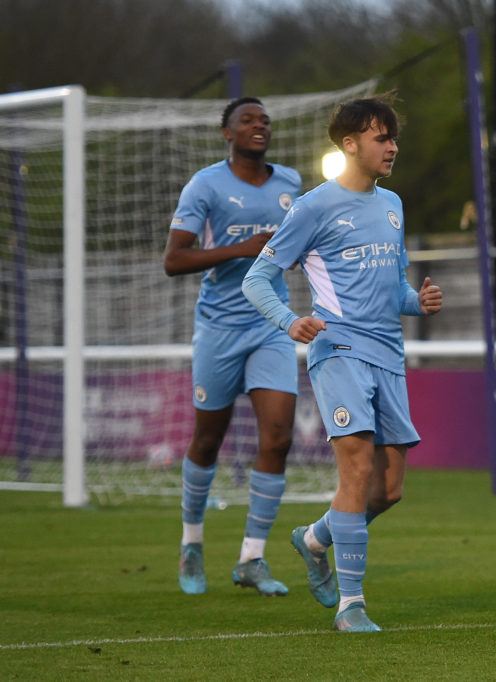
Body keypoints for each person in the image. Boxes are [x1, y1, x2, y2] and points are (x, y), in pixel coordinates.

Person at [242, 95, 442, 633]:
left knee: (389, 489)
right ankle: (350, 604)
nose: (393, 146)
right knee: (355, 470)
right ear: (350, 144)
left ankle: (314, 539)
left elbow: (393, 287)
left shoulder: (394, 204)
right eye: (382, 137)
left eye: (394, 137)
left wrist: (415, 302)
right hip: (339, 353)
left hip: (388, 355)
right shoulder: (312, 207)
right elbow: (256, 279)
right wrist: (289, 321)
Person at [163, 96, 301, 597]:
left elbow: (304, 246)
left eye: (265, 119)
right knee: (207, 441)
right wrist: (242, 248)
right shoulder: (206, 185)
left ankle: (252, 558)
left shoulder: (290, 184)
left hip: (272, 324)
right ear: (228, 133)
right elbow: (174, 260)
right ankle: (192, 542)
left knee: (279, 437)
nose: (258, 125)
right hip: (219, 328)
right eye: (247, 120)